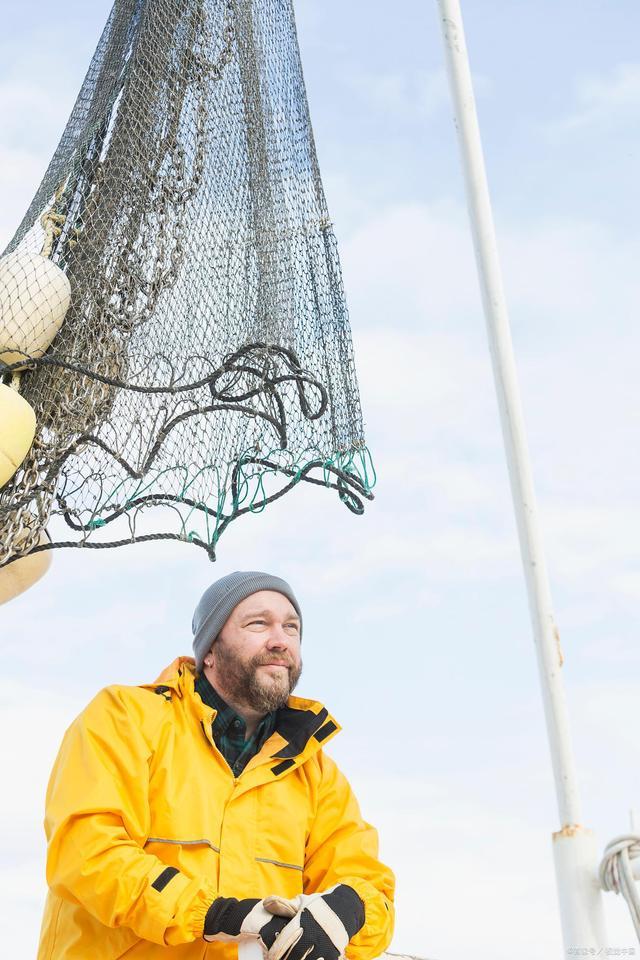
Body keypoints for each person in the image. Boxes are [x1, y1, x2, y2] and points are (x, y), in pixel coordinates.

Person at [38, 571, 395, 960]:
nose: (280, 641)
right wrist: (219, 914)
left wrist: (348, 910)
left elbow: (365, 880)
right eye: (258, 623)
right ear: (209, 649)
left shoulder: (315, 773)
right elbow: (88, 852)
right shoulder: (125, 718)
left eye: (291, 628)